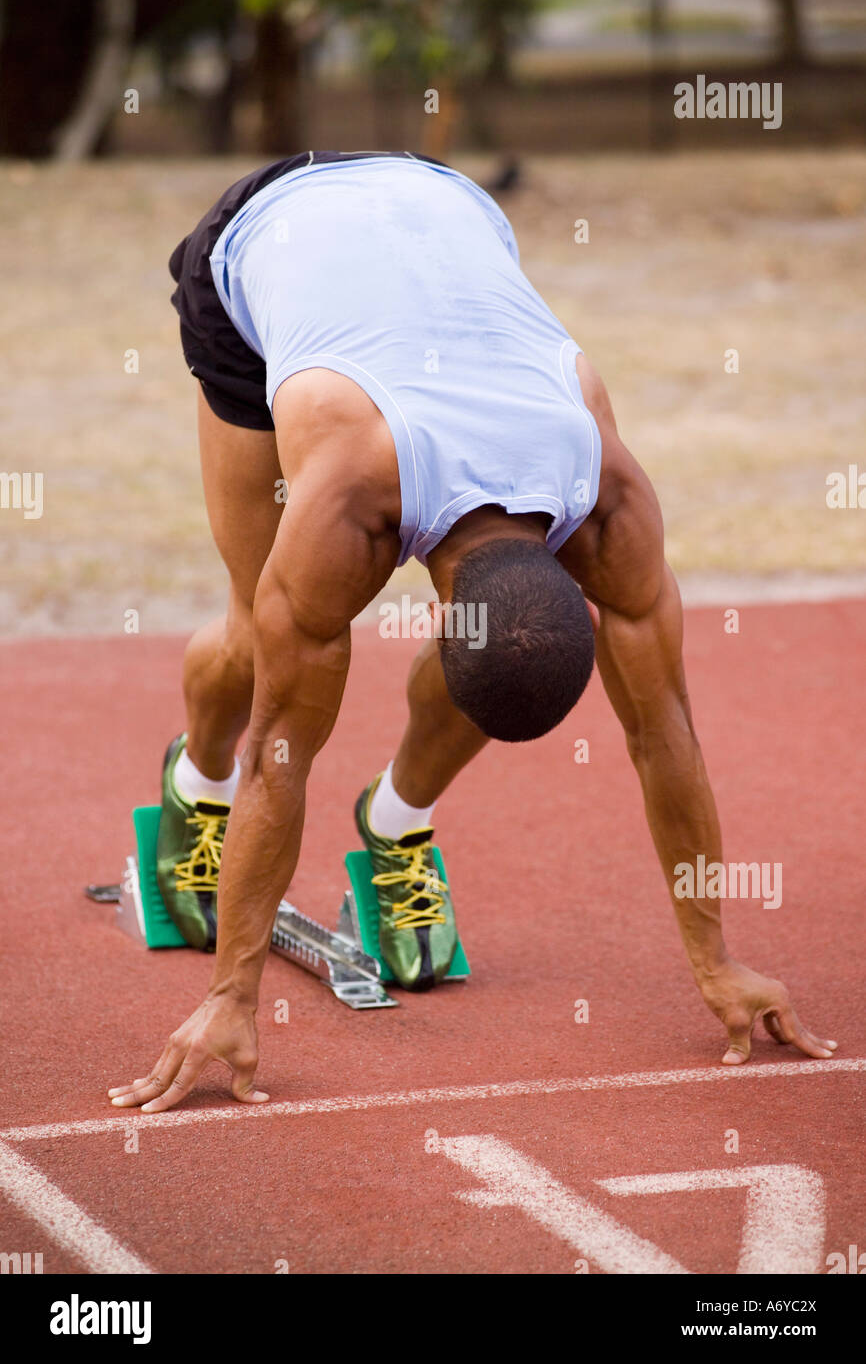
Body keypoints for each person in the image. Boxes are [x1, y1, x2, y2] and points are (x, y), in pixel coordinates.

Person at [108, 151, 835, 1115]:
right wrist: (228, 998)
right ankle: (191, 788)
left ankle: (396, 820)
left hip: (447, 211)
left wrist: (719, 961)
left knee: (514, 652)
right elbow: (282, 756)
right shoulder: (347, 494)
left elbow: (665, 730)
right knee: (256, 643)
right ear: (435, 621)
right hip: (269, 239)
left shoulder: (607, 495)